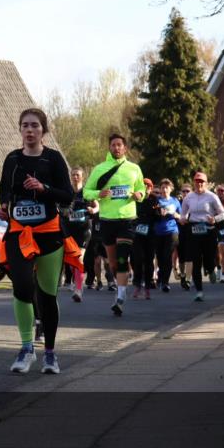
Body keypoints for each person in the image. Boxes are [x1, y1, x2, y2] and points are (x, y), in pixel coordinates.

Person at [0, 108, 76, 374]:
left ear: (43, 130)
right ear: (20, 130)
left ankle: (51, 354)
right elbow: (3, 191)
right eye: (25, 126)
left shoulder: (53, 159)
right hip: (19, 233)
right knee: (21, 285)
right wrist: (4, 205)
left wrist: (44, 189)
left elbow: (68, 196)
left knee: (46, 293)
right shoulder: (12, 159)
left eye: (34, 125)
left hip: (49, 234)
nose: (29, 130)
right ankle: (26, 348)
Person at [82, 134, 146, 316]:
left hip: (127, 219)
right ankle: (120, 286)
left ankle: (120, 297)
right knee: (112, 263)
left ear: (125, 148)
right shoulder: (100, 169)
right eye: (113, 145)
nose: (116, 148)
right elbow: (86, 192)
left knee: (122, 257)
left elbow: (141, 188)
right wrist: (98, 194)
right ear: (109, 148)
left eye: (119, 145)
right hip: (107, 220)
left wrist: (140, 195)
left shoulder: (134, 169)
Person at [179, 171, 224, 302]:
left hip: (208, 229)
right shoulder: (188, 197)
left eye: (202, 182)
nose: (199, 184)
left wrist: (215, 219)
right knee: (195, 261)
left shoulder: (212, 196)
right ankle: (199, 291)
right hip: (193, 230)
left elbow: (223, 213)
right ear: (194, 183)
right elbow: (183, 214)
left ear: (206, 183)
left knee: (209, 258)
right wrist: (183, 219)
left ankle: (211, 270)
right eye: (197, 181)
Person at [63, 167, 91, 302]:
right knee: (71, 261)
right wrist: (64, 212)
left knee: (79, 259)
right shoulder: (66, 192)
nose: (75, 177)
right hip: (69, 229)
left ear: (82, 177)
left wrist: (93, 209)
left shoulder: (86, 192)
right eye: (73, 175)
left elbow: (97, 206)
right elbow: (60, 208)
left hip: (84, 229)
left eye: (78, 175)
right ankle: (77, 283)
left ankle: (78, 290)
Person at [130, 178, 158, 299]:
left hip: (150, 233)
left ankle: (147, 286)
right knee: (137, 259)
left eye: (148, 186)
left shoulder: (154, 199)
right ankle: (137, 284)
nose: (146, 188)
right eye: (143, 185)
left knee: (148, 260)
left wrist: (159, 213)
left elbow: (157, 216)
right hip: (137, 233)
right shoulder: (135, 199)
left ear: (151, 188)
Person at [154, 179, 182, 292]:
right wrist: (159, 212)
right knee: (160, 257)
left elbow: (182, 216)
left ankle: (165, 282)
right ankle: (160, 276)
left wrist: (174, 214)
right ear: (160, 189)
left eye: (167, 187)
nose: (164, 189)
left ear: (171, 189)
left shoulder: (175, 201)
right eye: (162, 187)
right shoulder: (156, 201)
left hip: (171, 231)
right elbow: (152, 214)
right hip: (158, 232)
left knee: (167, 256)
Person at [176, 182, 193, 289]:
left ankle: (188, 278)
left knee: (189, 257)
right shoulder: (177, 203)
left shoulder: (194, 203)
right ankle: (182, 275)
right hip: (179, 233)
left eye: (188, 191)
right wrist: (179, 218)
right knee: (181, 258)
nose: (185, 193)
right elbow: (173, 213)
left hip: (191, 233)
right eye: (184, 191)